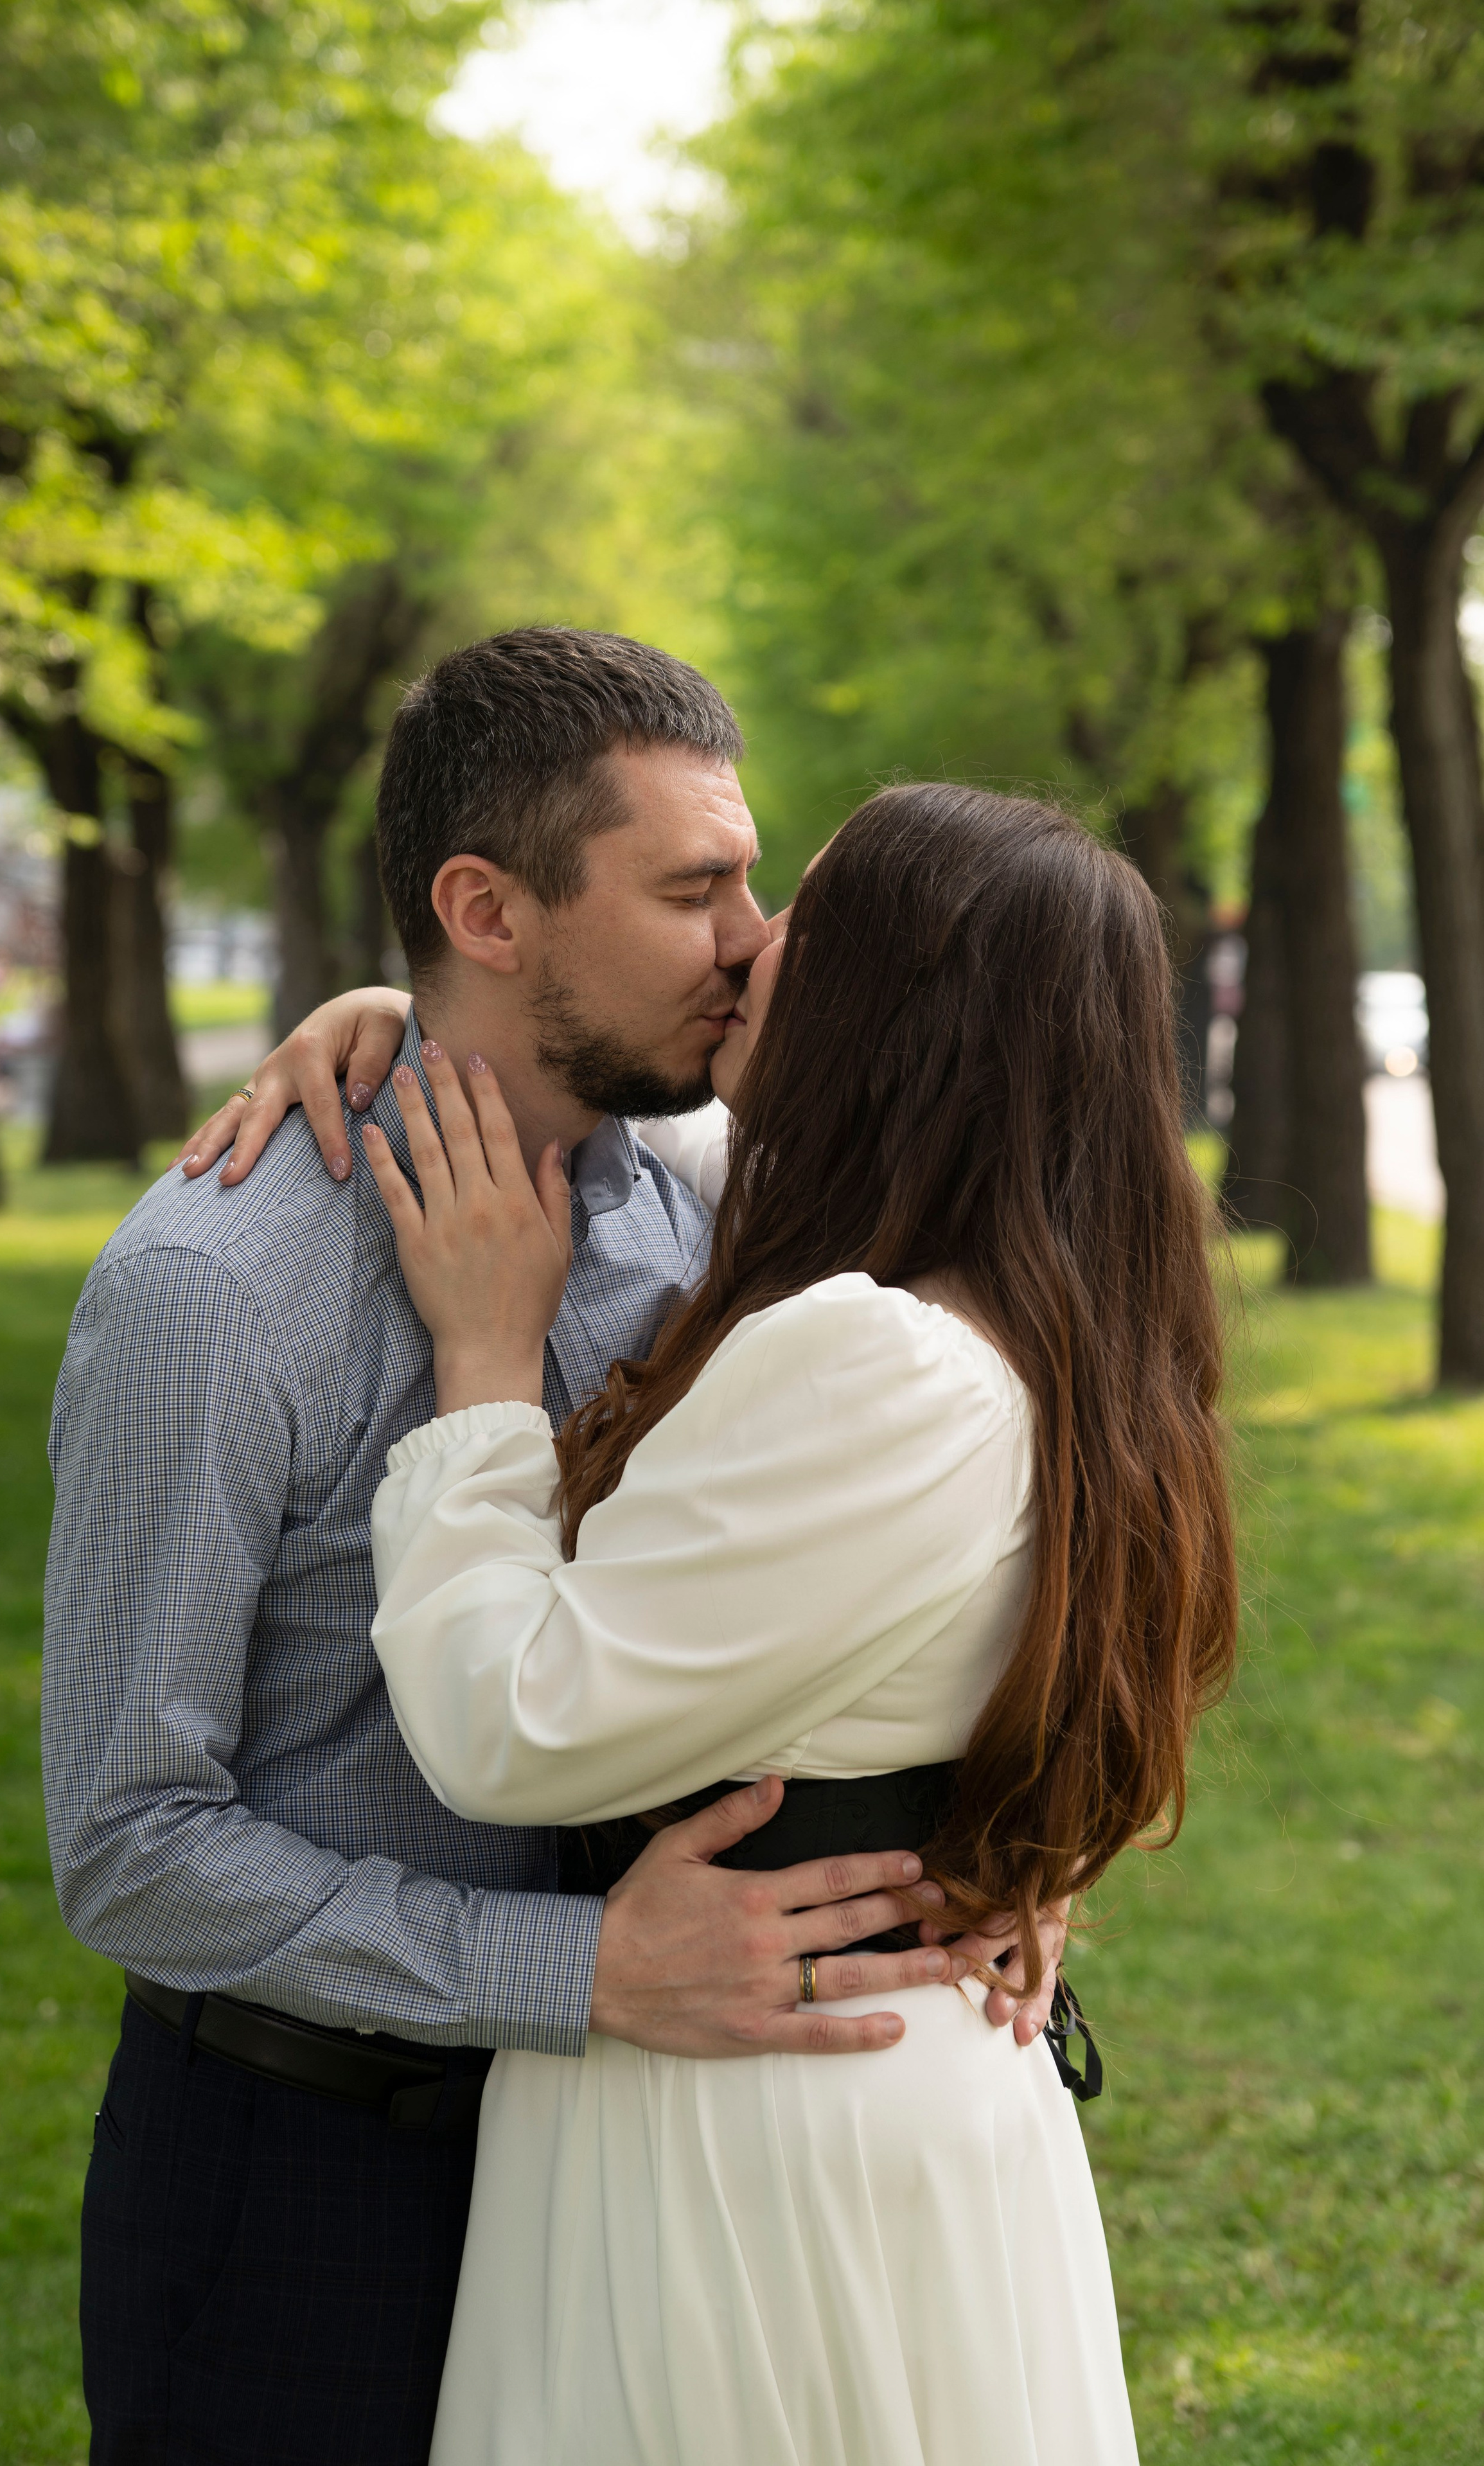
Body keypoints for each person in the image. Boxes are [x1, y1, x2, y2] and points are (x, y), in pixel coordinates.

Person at [43, 630, 1057, 2466]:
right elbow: (127, 1848)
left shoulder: (702, 1197)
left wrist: (995, 1834)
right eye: (696, 891)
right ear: (488, 913)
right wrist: (573, 1974)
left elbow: (913, 1515)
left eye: (751, 878)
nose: (756, 942)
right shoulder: (213, 1297)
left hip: (646, 2170)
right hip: (312, 2189)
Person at [217, 781, 1239, 2463]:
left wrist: (481, 1373)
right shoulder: (1041, 1304)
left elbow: (510, 1722)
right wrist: (425, 1017)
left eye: (802, 923)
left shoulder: (879, 1353)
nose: (749, 950)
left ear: (895, 1017)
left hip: (748, 2120)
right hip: (859, 2066)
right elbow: (676, 1110)